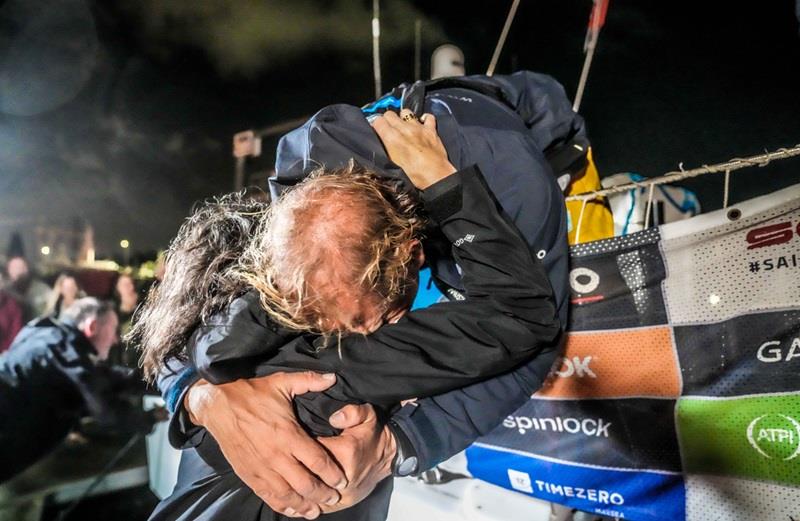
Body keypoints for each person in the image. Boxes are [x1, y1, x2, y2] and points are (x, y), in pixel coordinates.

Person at [157, 71, 578, 519]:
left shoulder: (510, 180)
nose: (355, 337)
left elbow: (533, 327)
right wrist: (202, 399)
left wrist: (395, 446)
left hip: (539, 129)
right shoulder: (295, 207)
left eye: (365, 321)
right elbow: (177, 329)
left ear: (413, 254)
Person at [0, 297, 130, 482]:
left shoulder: (42, 331)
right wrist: (146, 418)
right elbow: (104, 409)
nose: (115, 340)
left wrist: (153, 379)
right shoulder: (63, 349)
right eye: (112, 329)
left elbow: (104, 377)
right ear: (92, 326)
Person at [5, 256, 50, 320]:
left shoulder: (41, 289)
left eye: (19, 268)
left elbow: (51, 309)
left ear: (26, 269)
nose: (17, 271)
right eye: (13, 268)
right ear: (9, 271)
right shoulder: (5, 293)